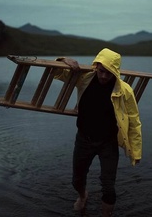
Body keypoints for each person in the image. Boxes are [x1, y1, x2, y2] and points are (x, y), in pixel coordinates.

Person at [54, 48, 142, 216]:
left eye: (108, 73)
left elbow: (134, 122)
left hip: (108, 142)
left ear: (115, 73)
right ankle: (82, 196)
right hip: (84, 138)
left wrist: (135, 151)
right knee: (77, 180)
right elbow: (57, 73)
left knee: (108, 186)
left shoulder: (124, 90)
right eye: (101, 71)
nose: (103, 76)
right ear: (96, 66)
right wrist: (64, 59)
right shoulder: (84, 78)